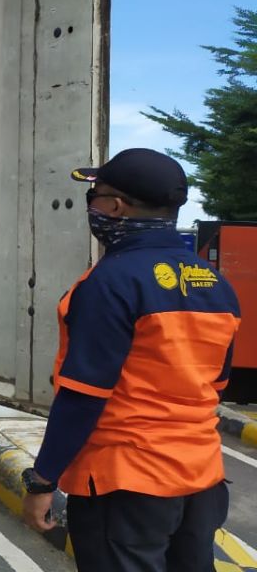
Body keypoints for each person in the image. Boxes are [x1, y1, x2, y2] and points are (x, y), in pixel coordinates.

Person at [21, 148, 241, 572]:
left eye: (95, 196)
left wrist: (42, 479)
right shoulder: (214, 283)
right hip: (201, 479)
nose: (93, 206)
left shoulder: (110, 282)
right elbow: (215, 384)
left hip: (126, 482)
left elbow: (84, 395)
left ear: (115, 207)